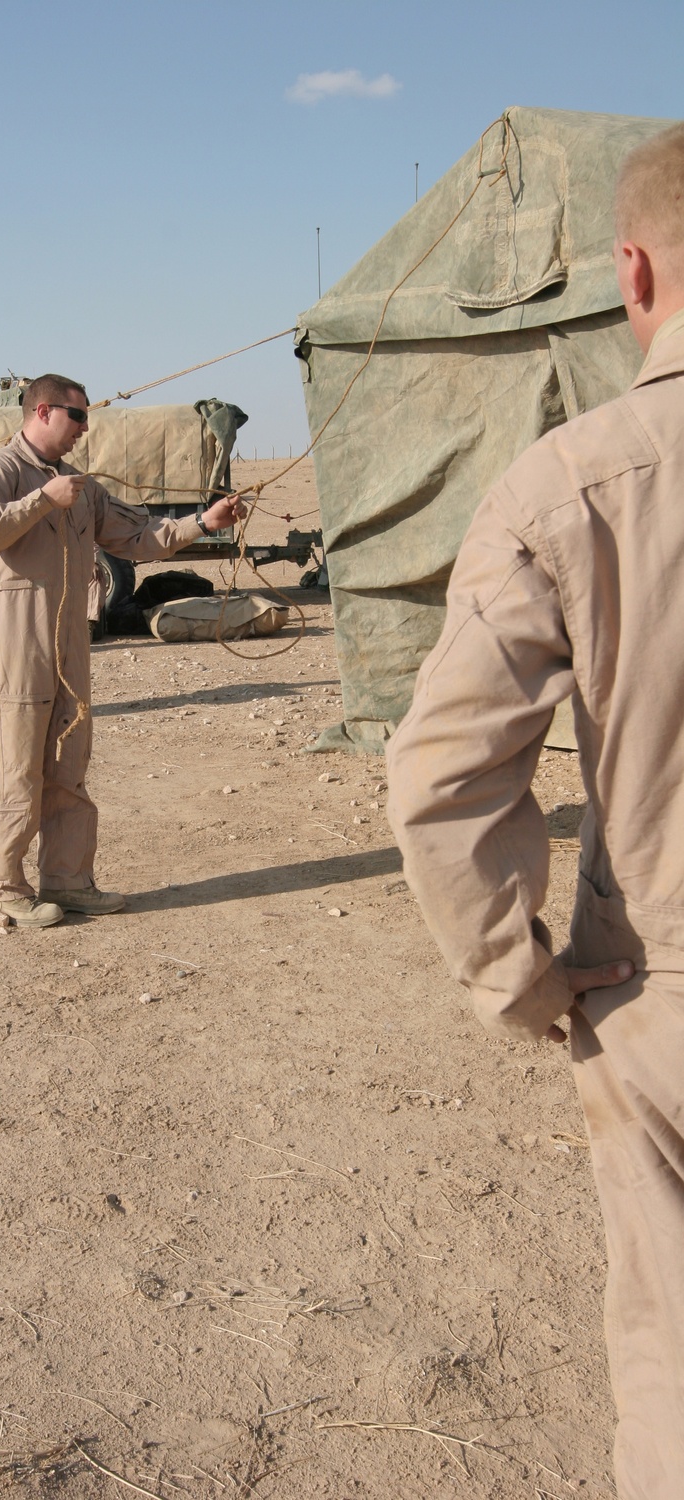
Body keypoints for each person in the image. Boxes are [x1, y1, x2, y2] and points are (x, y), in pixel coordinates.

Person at [386, 123, 684, 1500]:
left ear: (630, 273)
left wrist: (523, 979)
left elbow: (445, 780)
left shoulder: (576, 482)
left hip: (661, 997)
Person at [0, 372, 245, 929]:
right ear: (43, 412)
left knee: (68, 759)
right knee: (13, 760)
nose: (85, 429)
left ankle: (66, 880)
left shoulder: (82, 486)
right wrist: (41, 500)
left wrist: (203, 522)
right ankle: (1, 885)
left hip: (70, 642)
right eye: (78, 416)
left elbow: (138, 536)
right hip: (17, 640)